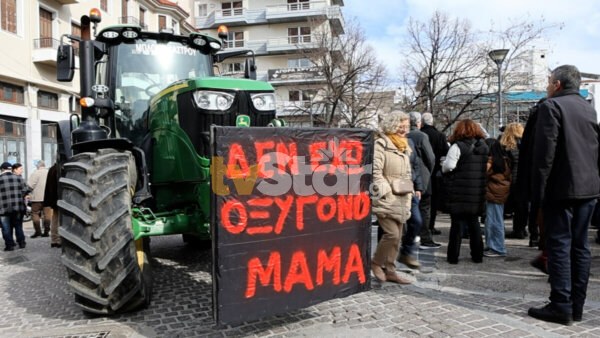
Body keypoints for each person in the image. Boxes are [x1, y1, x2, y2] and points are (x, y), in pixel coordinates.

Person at [528, 65, 600, 325]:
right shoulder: (587, 108)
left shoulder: (552, 107)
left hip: (562, 189)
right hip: (589, 187)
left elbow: (545, 155)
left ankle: (560, 305)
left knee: (559, 246)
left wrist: (538, 194)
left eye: (548, 82)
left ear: (557, 84)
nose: (547, 86)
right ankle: (576, 306)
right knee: (580, 248)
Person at [371, 111, 415, 284]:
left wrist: (410, 189)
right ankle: (376, 263)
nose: (404, 130)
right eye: (400, 126)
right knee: (392, 234)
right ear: (392, 125)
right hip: (387, 197)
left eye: (406, 127)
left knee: (398, 236)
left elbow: (407, 172)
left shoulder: (403, 146)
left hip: (402, 197)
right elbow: (376, 172)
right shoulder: (381, 144)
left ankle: (390, 270)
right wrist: (386, 192)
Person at [441, 119, 489, 264]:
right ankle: (477, 255)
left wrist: (442, 165)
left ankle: (453, 256)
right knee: (474, 224)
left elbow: (448, 166)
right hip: (477, 192)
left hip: (459, 191)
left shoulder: (457, 146)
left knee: (456, 225)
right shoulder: (484, 147)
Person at [406, 112, 440, 250]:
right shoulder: (421, 136)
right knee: (425, 208)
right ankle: (425, 238)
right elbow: (431, 158)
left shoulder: (404, 136)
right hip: (423, 176)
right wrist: (428, 172)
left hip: (407, 177)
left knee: (409, 207)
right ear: (419, 122)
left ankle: (410, 236)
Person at [420, 113, 450, 236]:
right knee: (433, 201)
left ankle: (419, 226)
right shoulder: (440, 135)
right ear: (432, 122)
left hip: (420, 171)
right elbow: (445, 153)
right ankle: (430, 226)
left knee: (419, 201)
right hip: (435, 172)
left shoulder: (418, 135)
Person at [483, 138, 511, 257]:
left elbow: (483, 172)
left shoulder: (491, 161)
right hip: (501, 193)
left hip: (493, 193)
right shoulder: (505, 161)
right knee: (495, 220)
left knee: (493, 221)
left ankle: (497, 247)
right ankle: (493, 245)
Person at [502, 123, 527, 239]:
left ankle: (516, 230)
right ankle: (521, 229)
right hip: (524, 178)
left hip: (512, 178)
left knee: (511, 206)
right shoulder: (526, 144)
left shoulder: (507, 146)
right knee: (522, 206)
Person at [0, 162, 29, 251]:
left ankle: (10, 245)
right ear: (10, 169)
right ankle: (21, 243)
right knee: (18, 225)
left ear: (2, 169)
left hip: (3, 208)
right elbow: (26, 190)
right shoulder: (19, 178)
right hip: (18, 207)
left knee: (6, 228)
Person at [28, 160, 52, 238]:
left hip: (36, 198)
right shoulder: (49, 172)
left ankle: (38, 231)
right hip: (48, 198)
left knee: (35, 213)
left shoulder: (36, 173)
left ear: (38, 166)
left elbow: (30, 185)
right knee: (47, 215)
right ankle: (46, 231)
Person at [44, 163, 61, 248]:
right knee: (59, 219)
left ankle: (54, 240)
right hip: (60, 198)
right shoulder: (59, 168)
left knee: (55, 219)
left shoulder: (51, 169)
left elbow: (48, 186)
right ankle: (58, 240)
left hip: (54, 199)